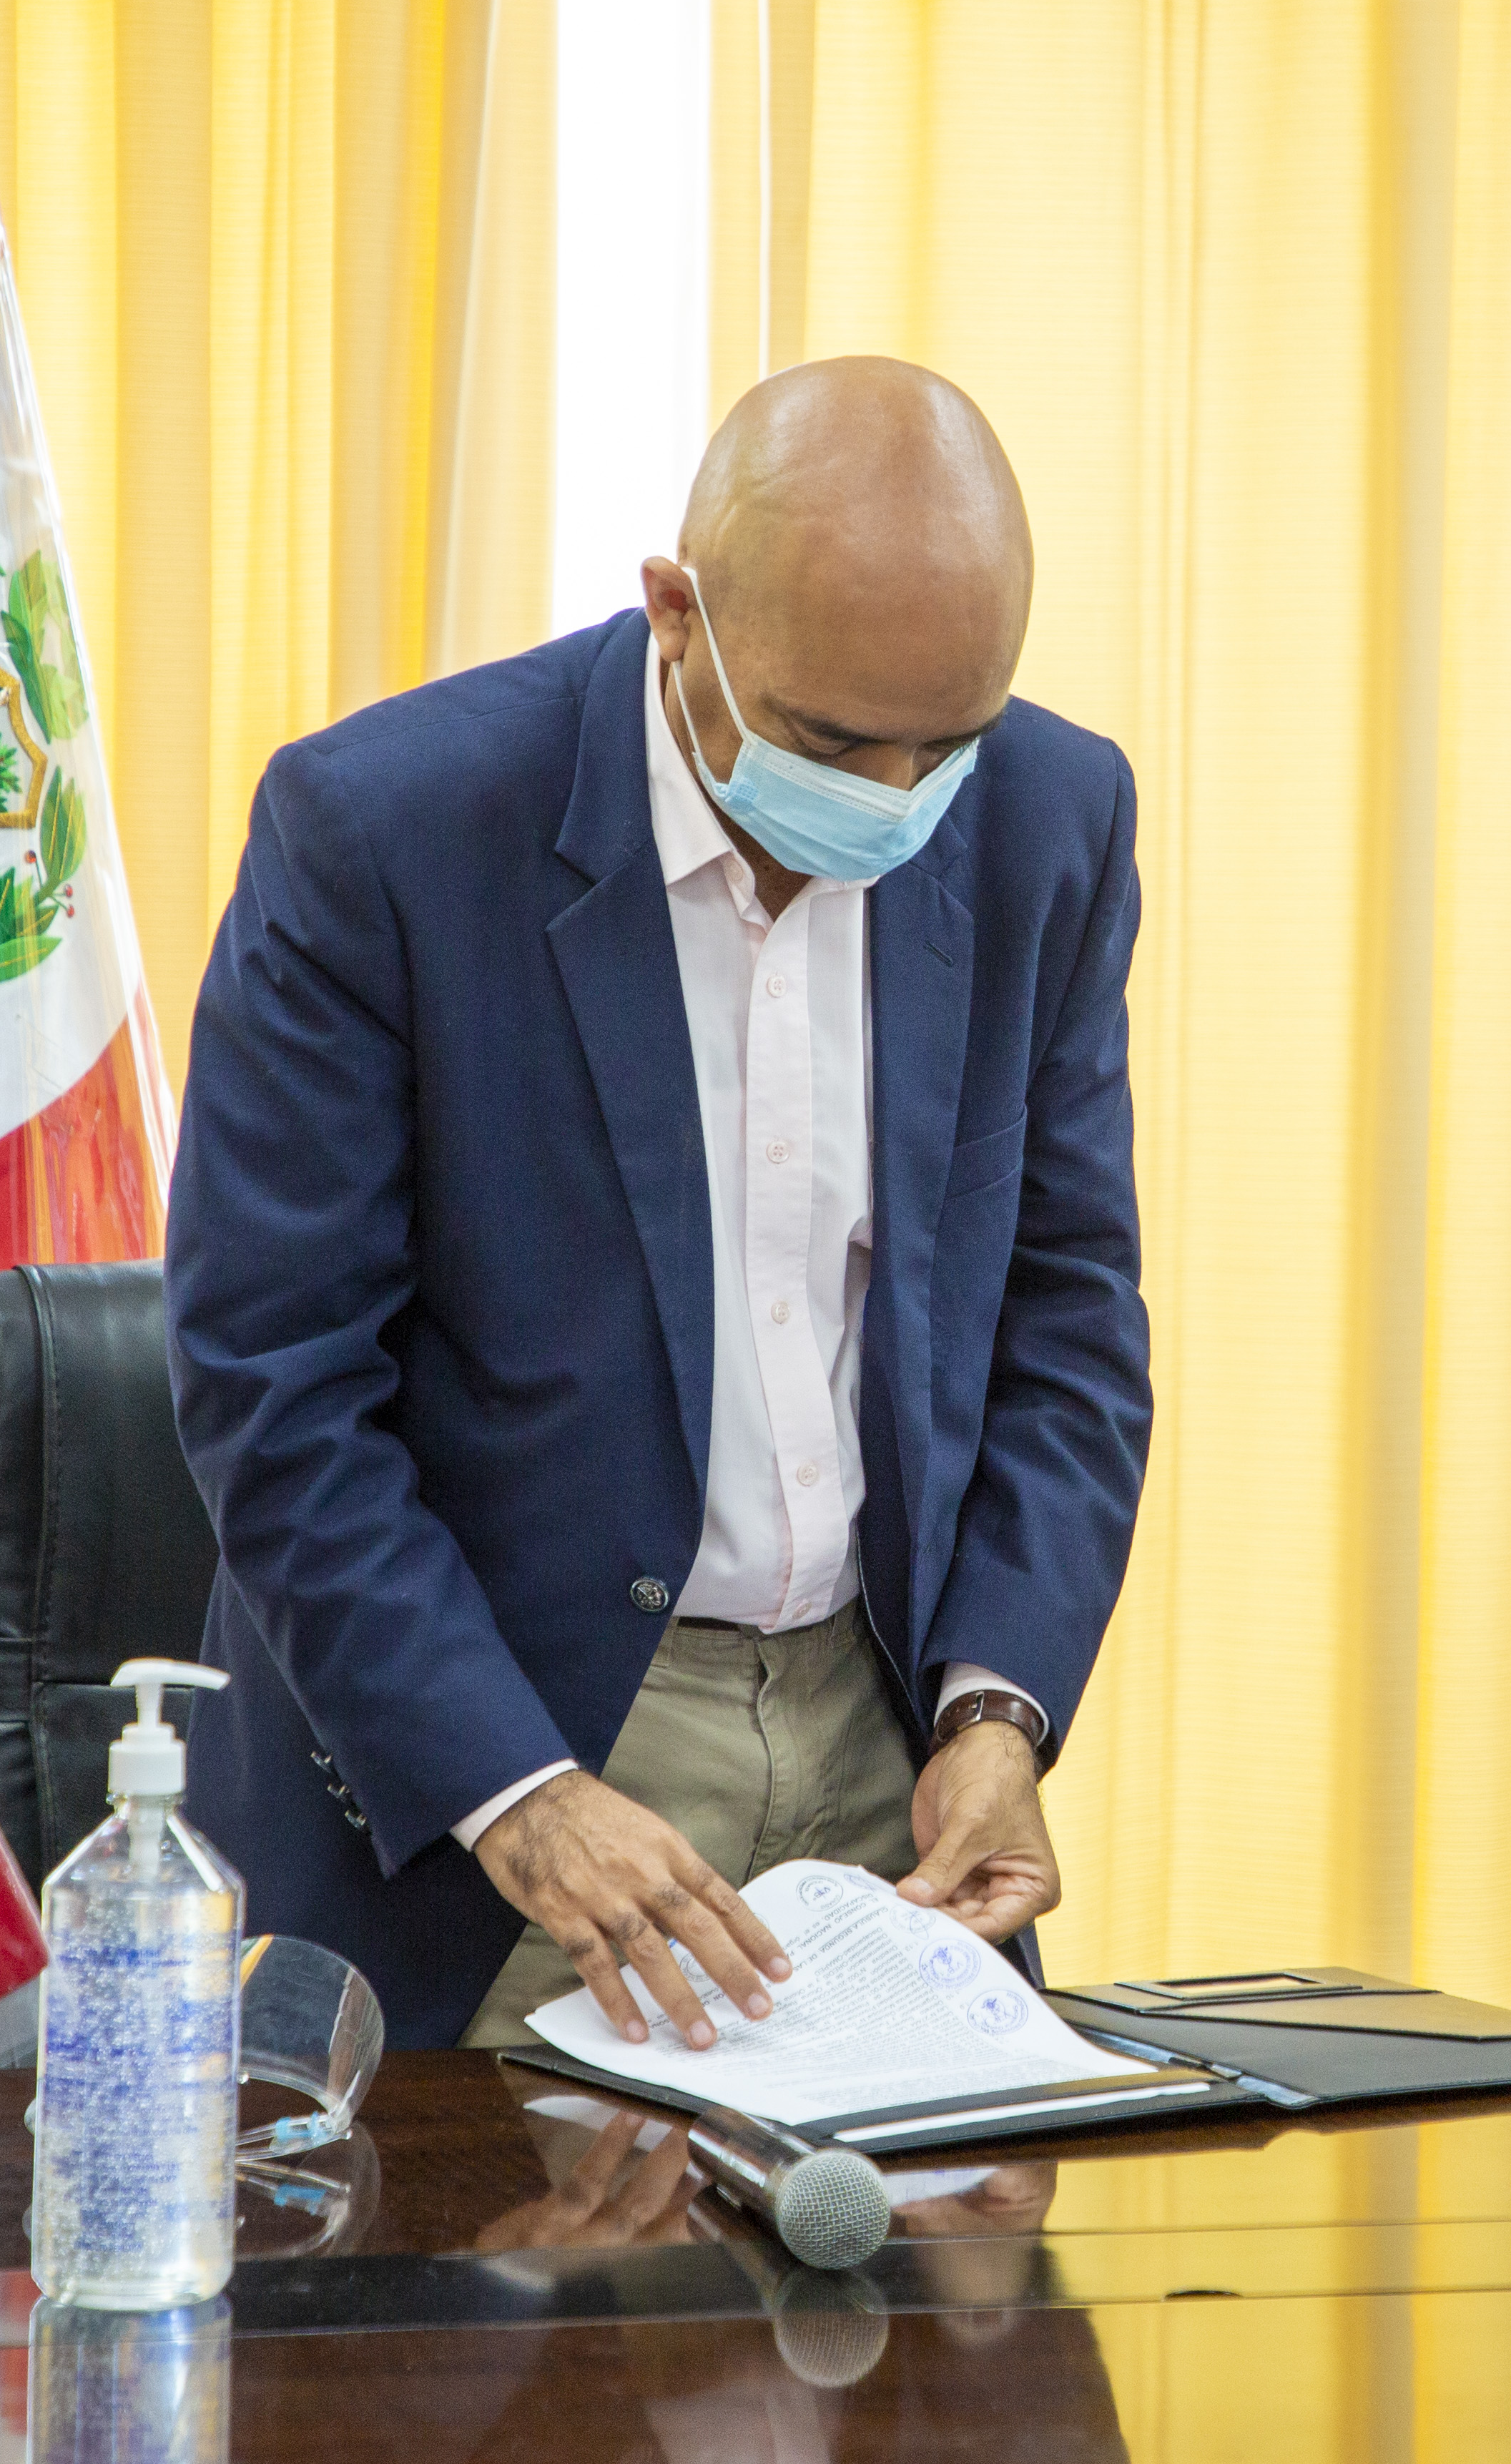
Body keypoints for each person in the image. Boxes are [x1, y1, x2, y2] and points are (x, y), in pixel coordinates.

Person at [169, 358, 1149, 2051]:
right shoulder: (387, 835)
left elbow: (1067, 1312)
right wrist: (517, 1792)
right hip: (504, 1779)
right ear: (677, 615)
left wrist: (999, 1706)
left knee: (933, 2307)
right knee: (524, 2298)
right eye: (838, 740)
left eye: (950, 743)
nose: (898, 798)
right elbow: (276, 1387)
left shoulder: (1049, 820)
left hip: (878, 1758)